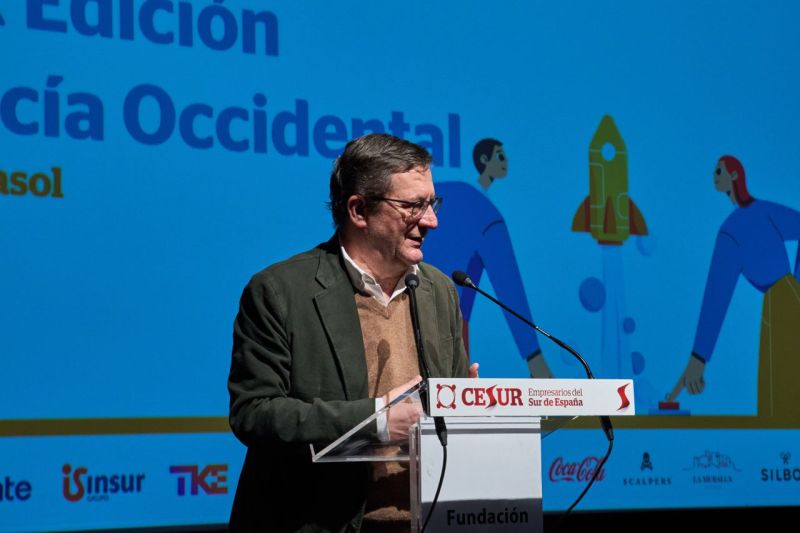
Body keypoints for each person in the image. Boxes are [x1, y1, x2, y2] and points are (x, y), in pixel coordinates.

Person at [228, 133, 475, 532]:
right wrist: (377, 420)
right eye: (413, 206)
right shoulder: (280, 291)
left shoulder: (440, 290)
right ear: (359, 210)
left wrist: (469, 404)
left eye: (432, 203)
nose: (431, 221)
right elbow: (254, 414)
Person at [669, 155, 800, 419]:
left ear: (735, 175)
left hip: (783, 304)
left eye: (719, 171)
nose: (714, 177)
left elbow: (717, 295)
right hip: (779, 303)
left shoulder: (736, 228)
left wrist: (698, 358)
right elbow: (717, 294)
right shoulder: (734, 228)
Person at [423, 138, 553, 378]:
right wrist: (535, 358)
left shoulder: (472, 203)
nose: (428, 220)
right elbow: (509, 287)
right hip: (439, 333)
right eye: (500, 156)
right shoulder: (481, 210)